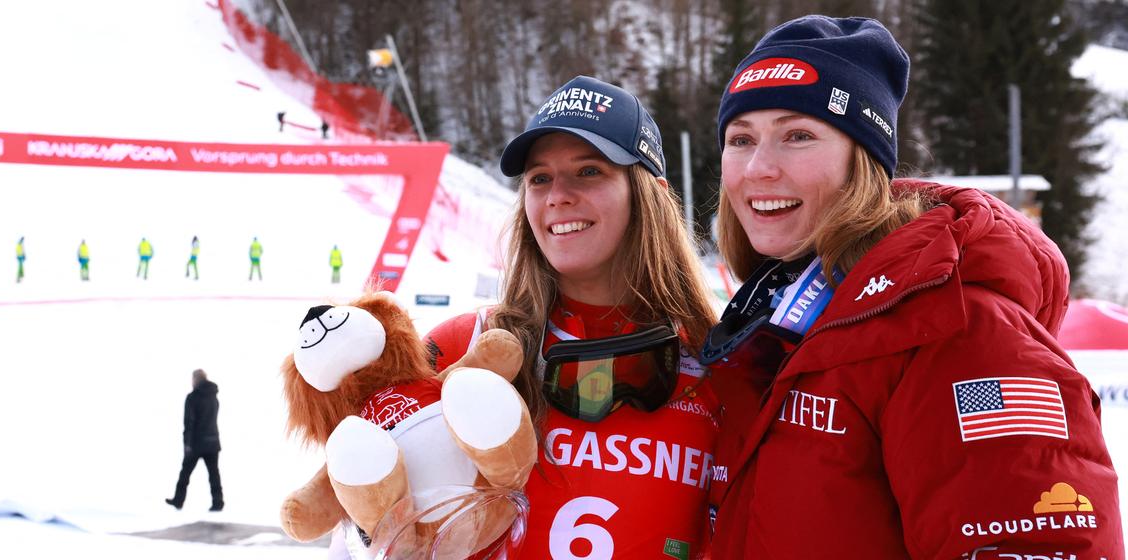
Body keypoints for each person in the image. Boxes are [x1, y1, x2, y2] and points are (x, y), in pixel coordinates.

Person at [702, 15, 1122, 558]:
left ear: (865, 163)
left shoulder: (959, 327)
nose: (758, 168)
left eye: (797, 136)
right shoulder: (782, 323)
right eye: (741, 139)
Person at [424, 76, 720, 559]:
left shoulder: (713, 361)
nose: (557, 195)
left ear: (648, 193)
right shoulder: (468, 346)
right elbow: (368, 527)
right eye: (539, 178)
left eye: (588, 171)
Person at [166, 369, 224, 512]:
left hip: (196, 443)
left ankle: (178, 501)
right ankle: (218, 503)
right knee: (214, 475)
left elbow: (189, 423)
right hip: (213, 442)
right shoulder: (213, 397)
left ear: (195, 379)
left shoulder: (192, 398)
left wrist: (187, 444)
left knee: (185, 474)